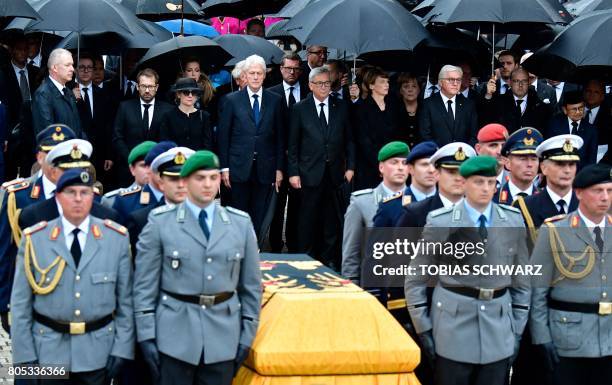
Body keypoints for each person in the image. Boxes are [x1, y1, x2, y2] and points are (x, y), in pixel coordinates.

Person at [133, 150, 262, 385]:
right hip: (174, 336)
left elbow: (251, 287)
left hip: (223, 336)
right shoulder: (161, 222)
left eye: (213, 178)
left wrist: (247, 335)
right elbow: (144, 286)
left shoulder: (239, 224)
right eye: (200, 178)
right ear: (185, 181)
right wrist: (146, 335)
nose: (208, 185)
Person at [405, 155, 530, 385]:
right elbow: (415, 278)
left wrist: (517, 329)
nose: (485, 188)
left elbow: (521, 280)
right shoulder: (441, 222)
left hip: (498, 326)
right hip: (453, 328)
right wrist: (423, 328)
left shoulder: (512, 221)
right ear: (464, 183)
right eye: (478, 182)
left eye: (491, 183)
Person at [10, 169, 134, 384]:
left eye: (84, 192)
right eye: (70, 192)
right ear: (57, 197)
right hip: (48, 352)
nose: (78, 199)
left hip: (98, 352)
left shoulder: (116, 239)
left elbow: (126, 302)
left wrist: (122, 348)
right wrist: (24, 358)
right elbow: (21, 305)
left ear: (94, 196)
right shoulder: (35, 239)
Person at [530, 162, 612, 385]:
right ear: (579, 193)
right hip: (568, 337)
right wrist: (541, 336)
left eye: (610, 190)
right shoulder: (555, 230)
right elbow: (537, 289)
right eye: (598, 191)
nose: (605, 197)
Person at [0, 124, 76, 333]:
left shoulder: (87, 196)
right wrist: (4, 303)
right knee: (32, 366)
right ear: (39, 157)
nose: (56, 161)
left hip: (77, 300)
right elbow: (6, 253)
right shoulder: (19, 196)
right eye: (50, 154)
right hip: (34, 295)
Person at [288, 65, 355, 268]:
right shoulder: (300, 109)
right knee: (307, 219)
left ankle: (329, 260)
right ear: (310, 85)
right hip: (308, 173)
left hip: (334, 174)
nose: (325, 87)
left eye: (327, 83)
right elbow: (292, 144)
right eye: (320, 83)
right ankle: (306, 259)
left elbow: (350, 140)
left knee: (331, 220)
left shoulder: (341, 106)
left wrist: (350, 167)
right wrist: (293, 172)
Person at [217, 55, 284, 238]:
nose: (255, 77)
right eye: (252, 73)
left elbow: (280, 137)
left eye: (259, 73)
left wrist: (279, 168)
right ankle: (237, 252)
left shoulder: (275, 101)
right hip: (238, 167)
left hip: (265, 167)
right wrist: (224, 167)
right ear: (245, 75)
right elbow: (224, 137)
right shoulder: (231, 100)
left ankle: (254, 254)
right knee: (237, 214)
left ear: (264, 76)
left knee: (259, 215)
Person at [342, 141, 410, 285]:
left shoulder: (419, 202)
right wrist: (353, 289)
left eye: (405, 163)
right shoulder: (362, 202)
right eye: (394, 162)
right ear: (381, 167)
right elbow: (351, 254)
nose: (400, 168)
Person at [17, 138, 121, 229]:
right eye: (67, 170)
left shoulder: (107, 213)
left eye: (80, 169)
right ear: (53, 172)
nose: (74, 175)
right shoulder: (30, 214)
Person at [268, 53, 307, 253]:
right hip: (279, 157)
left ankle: (295, 245)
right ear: (281, 69)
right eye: (288, 68)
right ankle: (275, 245)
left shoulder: (309, 91)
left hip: (304, 157)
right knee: (277, 204)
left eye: (296, 69)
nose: (292, 72)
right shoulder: (271, 93)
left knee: (299, 206)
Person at [513, 134, 583, 243]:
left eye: (571, 164)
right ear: (544, 168)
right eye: (560, 164)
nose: (567, 170)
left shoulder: (587, 204)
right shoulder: (525, 207)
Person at [125, 146, 194, 253]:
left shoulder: (207, 218)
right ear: (161, 183)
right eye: (174, 179)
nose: (181, 185)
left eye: (185, 179)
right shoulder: (142, 220)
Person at [113, 68, 173, 187]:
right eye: (143, 86)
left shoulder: (168, 110)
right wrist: (132, 160)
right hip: (129, 171)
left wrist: (157, 161)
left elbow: (169, 140)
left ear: (156, 87)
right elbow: (117, 137)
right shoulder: (125, 107)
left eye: (150, 87)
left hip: (158, 171)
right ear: (137, 87)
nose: (147, 90)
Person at [397, 141, 473, 229]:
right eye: (451, 172)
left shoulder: (482, 211)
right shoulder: (415, 213)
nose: (458, 178)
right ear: (437, 174)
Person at [373, 141, 440, 227]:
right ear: (410, 169)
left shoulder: (449, 204)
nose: (431, 170)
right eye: (424, 165)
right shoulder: (390, 206)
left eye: (436, 165)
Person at [354, 67, 399, 190]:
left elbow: (398, 135)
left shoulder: (394, 105)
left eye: (387, 82)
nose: (386, 85)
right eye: (382, 82)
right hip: (370, 167)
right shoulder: (362, 109)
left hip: (393, 165)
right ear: (371, 86)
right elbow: (364, 141)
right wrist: (380, 163)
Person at [111, 141, 176, 224]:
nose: (164, 173)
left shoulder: (186, 198)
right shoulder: (126, 202)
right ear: (150, 168)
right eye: (160, 167)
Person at [73, 53, 113, 182]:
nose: (85, 70)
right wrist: (75, 101)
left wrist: (109, 155)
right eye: (82, 67)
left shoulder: (104, 94)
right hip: (76, 153)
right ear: (75, 70)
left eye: (89, 67)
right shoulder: (68, 93)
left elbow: (108, 126)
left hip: (99, 154)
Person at [419, 64, 478, 146]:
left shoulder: (468, 105)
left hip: (464, 156)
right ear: (440, 82)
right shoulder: (428, 104)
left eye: (458, 80)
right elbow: (425, 135)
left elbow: (474, 135)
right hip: (438, 156)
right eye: (451, 80)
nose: (455, 83)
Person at [482, 68, 552, 135]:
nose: (520, 85)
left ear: (529, 83)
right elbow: (485, 122)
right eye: (516, 81)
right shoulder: (498, 103)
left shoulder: (541, 106)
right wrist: (488, 95)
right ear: (510, 83)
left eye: (524, 81)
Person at [31, 48, 83, 137]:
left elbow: (77, 127)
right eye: (67, 65)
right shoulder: (43, 94)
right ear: (55, 68)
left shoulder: (68, 92)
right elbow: (47, 135)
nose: (72, 69)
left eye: (72, 65)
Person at [546, 90, 598, 168]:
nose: (578, 112)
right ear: (565, 110)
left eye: (580, 108)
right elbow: (549, 153)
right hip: (558, 170)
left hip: (582, 175)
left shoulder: (591, 130)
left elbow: (591, 159)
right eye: (574, 109)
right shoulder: (554, 125)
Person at [159, 77, 212, 151]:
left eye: (194, 92)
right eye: (186, 92)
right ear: (178, 94)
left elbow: (208, 144)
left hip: (197, 160)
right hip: (175, 159)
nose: (190, 95)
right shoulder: (168, 116)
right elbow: (165, 143)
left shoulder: (204, 116)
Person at [494, 127, 543, 205]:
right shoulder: (492, 199)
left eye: (534, 159)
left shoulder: (546, 199)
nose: (529, 164)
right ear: (507, 163)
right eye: (523, 159)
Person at [101, 141, 156, 209]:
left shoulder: (170, 197)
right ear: (132, 169)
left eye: (153, 166)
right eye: (144, 166)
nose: (149, 171)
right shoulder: (112, 200)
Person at [474, 123, 509, 189]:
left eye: (504, 145)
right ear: (478, 149)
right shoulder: (468, 182)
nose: (500, 152)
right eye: (493, 145)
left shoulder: (516, 182)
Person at [395, 73, 422, 148]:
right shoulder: (393, 111)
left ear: (419, 90)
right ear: (400, 90)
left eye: (414, 86)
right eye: (406, 86)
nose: (410, 90)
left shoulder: (426, 109)